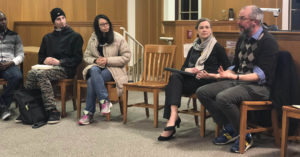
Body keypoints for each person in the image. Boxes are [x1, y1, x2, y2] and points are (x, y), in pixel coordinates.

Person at [196, 5, 278, 153]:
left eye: (242, 18)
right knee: (202, 92)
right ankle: (231, 128)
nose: (238, 21)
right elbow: (235, 65)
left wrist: (235, 76)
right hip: (239, 81)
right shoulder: (242, 38)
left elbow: (261, 75)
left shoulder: (268, 41)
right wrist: (217, 75)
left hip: (259, 87)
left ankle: (245, 135)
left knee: (223, 97)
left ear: (254, 21)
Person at [157, 18, 230, 141]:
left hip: (208, 80)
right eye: (201, 27)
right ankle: (174, 115)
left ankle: (172, 120)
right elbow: (184, 67)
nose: (204, 30)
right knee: (175, 77)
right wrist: (189, 70)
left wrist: (209, 74)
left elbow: (227, 69)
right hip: (193, 78)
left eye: (207, 27)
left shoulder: (217, 47)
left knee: (171, 84)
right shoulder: (194, 48)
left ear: (211, 30)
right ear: (197, 31)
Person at [23, 8, 83, 124]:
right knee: (30, 74)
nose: (61, 21)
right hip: (48, 68)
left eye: (63, 18)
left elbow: (77, 59)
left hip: (66, 69)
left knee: (41, 74)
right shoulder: (47, 38)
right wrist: (45, 60)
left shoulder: (75, 36)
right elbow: (40, 58)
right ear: (53, 22)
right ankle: (31, 108)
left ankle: (52, 111)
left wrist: (59, 62)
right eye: (58, 19)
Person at [78, 14, 130, 125]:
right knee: (93, 71)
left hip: (114, 69)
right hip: (98, 68)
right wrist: (95, 61)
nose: (105, 26)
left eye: (107, 24)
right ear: (97, 27)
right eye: (102, 25)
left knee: (91, 79)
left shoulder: (118, 38)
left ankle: (88, 113)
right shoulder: (93, 38)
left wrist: (107, 60)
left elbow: (126, 57)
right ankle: (105, 101)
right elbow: (86, 56)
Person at [0, 11, 24, 120]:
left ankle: (3, 106)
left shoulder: (15, 36)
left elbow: (21, 55)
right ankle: (3, 108)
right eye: (1, 20)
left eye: (4, 19)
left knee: (17, 76)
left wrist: (11, 62)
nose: (3, 22)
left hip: (9, 64)